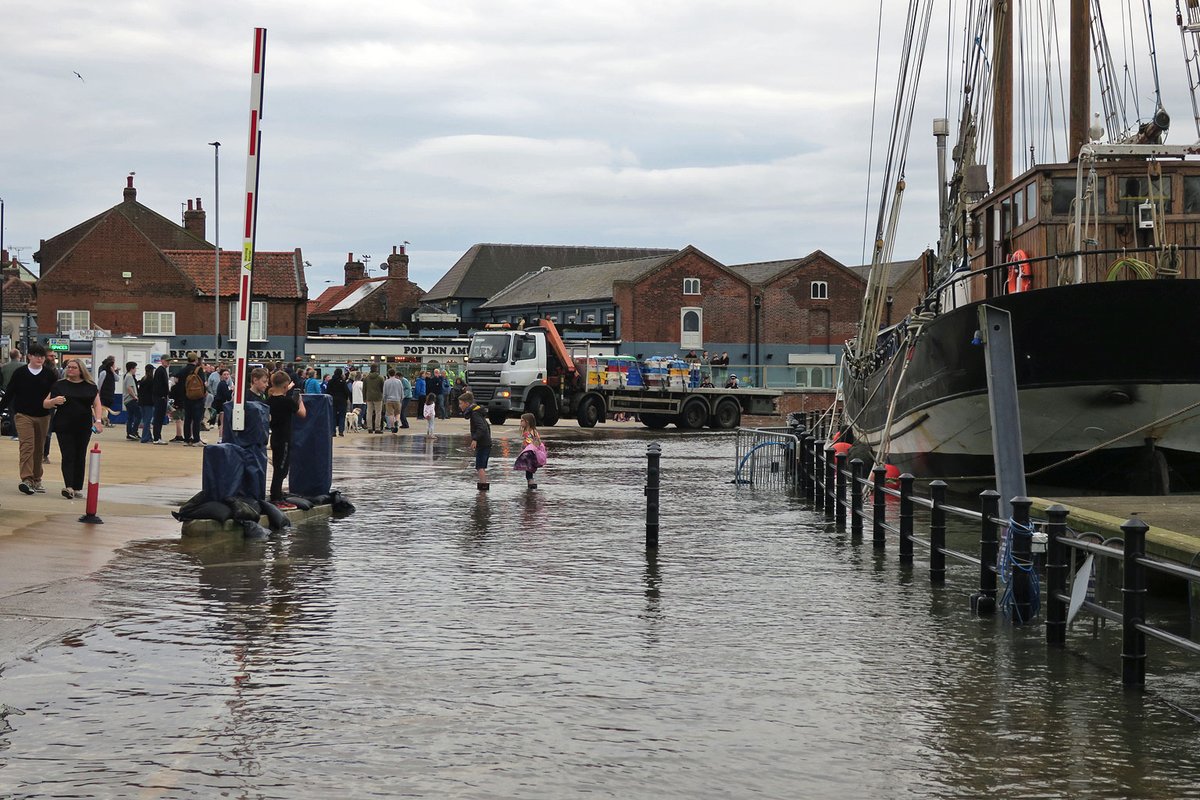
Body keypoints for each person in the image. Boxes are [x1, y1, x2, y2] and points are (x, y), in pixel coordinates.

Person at [0, 343, 57, 494]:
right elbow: (10, 393)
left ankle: (37, 479)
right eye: (36, 356)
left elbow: (56, 394)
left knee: (39, 449)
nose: (40, 359)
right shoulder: (20, 373)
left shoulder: (50, 374)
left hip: (43, 415)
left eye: (42, 356)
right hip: (23, 415)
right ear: (29, 357)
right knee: (27, 446)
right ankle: (26, 479)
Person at [45, 357, 105, 499]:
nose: (70, 370)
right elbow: (45, 403)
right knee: (68, 455)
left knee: (80, 455)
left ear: (81, 370)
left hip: (83, 425)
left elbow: (97, 404)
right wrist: (54, 401)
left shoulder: (90, 386)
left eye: (73, 367)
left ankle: (78, 486)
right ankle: (69, 486)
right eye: (68, 367)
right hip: (63, 425)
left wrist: (98, 421)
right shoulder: (59, 385)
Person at [265, 370, 306, 503]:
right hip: (285, 439)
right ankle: (276, 495)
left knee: (278, 465)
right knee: (282, 469)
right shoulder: (287, 402)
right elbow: (302, 414)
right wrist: (299, 400)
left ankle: (276, 492)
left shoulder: (269, 401)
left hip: (275, 437)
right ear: (285, 386)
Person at [458, 390, 491, 491]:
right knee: (480, 466)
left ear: (467, 403)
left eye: (460, 403)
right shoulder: (476, 412)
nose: (459, 406)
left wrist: (475, 439)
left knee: (480, 466)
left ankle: (483, 489)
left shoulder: (475, 413)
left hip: (483, 443)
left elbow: (482, 427)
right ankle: (483, 487)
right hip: (485, 442)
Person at [179, 353, 207, 446]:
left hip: (186, 397)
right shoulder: (199, 370)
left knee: (187, 419)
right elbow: (203, 383)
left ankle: (187, 439)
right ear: (195, 360)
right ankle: (196, 440)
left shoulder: (183, 370)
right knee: (197, 419)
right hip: (197, 397)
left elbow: (177, 382)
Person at [512, 412, 544, 490]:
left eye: (522, 421)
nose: (520, 422)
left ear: (527, 422)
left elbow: (530, 442)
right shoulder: (534, 431)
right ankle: (531, 485)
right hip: (532, 453)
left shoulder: (528, 433)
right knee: (529, 470)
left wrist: (524, 449)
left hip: (529, 453)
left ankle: (531, 484)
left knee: (528, 471)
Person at [150, 356, 171, 444]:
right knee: (158, 418)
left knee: (160, 418)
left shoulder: (162, 370)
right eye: (167, 361)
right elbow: (159, 386)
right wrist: (162, 395)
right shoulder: (160, 371)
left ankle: (158, 436)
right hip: (160, 398)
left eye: (169, 361)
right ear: (162, 361)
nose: (168, 363)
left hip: (161, 397)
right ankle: (156, 438)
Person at [326, 367, 351, 437]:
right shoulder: (343, 382)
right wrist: (347, 398)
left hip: (332, 400)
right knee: (342, 416)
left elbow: (327, 391)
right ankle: (341, 431)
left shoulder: (330, 381)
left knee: (333, 416)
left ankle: (333, 432)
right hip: (342, 401)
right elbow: (347, 391)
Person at [212, 367, 233, 440]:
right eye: (224, 374)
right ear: (221, 376)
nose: (226, 376)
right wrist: (232, 390)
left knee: (222, 422)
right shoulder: (223, 384)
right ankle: (221, 438)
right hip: (222, 405)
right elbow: (227, 396)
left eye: (227, 374)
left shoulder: (223, 384)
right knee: (223, 423)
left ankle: (221, 438)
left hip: (220, 405)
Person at [96, 355, 118, 425]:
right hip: (103, 394)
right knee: (102, 408)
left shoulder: (112, 373)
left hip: (110, 394)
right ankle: (101, 421)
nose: (115, 367)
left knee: (107, 409)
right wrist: (98, 393)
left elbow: (117, 379)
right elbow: (100, 383)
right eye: (114, 365)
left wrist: (113, 372)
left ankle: (106, 422)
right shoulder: (104, 372)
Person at [122, 360, 140, 440]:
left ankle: (130, 433)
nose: (136, 370)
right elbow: (129, 388)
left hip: (127, 400)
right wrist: (135, 397)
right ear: (131, 369)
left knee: (130, 417)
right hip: (131, 399)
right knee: (139, 416)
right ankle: (133, 432)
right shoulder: (129, 376)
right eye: (135, 368)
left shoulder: (127, 376)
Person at [137, 364, 155, 443]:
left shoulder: (143, 379)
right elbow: (153, 392)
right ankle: (144, 438)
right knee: (148, 421)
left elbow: (139, 391)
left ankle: (149, 437)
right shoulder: (152, 380)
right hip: (149, 403)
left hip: (142, 402)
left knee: (145, 420)